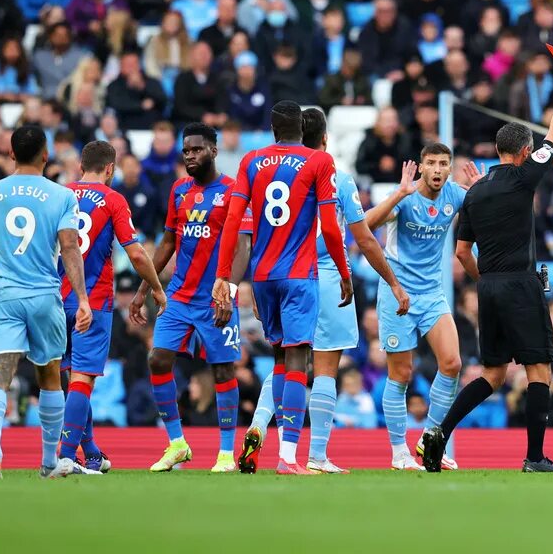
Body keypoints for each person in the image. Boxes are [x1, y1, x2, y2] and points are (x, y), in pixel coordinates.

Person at [420, 57, 553, 473]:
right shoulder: (524, 177)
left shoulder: (474, 192)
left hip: (487, 287)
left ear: (496, 150)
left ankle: (436, 432)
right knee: (539, 369)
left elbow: (461, 253)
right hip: (520, 285)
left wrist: (485, 280)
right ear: (524, 151)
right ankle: (534, 457)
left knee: (491, 373)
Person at [238, 108, 403, 474]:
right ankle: (315, 455)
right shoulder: (336, 178)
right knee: (324, 368)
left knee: (284, 360)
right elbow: (361, 236)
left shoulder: (269, 170)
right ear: (325, 140)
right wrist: (391, 280)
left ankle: (258, 426)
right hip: (324, 275)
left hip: (275, 271)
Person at [213, 101, 353, 475]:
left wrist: (224, 277)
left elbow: (232, 222)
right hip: (299, 273)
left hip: (262, 276)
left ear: (273, 130)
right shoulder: (319, 163)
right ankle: (289, 457)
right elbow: (331, 226)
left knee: (278, 358)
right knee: (298, 360)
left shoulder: (250, 161)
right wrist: (343, 271)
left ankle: (262, 430)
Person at [131, 123, 252, 474]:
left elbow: (244, 244)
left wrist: (227, 288)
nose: (190, 156)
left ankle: (227, 453)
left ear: (213, 151)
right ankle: (177, 444)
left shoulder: (232, 192)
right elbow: (169, 242)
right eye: (186, 151)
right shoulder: (179, 190)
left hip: (215, 297)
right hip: (179, 296)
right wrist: (143, 289)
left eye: (197, 150)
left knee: (223, 368)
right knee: (158, 359)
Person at [0, 125, 90, 478]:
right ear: (45, 155)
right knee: (50, 376)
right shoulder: (61, 196)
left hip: (5, 294)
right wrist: (83, 299)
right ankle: (47, 462)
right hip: (43, 296)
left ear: (11, 154)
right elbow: (70, 247)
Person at [362, 145, 480, 470]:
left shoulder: (455, 195)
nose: (438, 169)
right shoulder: (407, 197)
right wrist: (398, 193)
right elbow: (365, 225)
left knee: (453, 363)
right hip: (397, 293)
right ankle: (399, 452)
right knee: (401, 373)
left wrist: (481, 188)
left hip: (432, 293)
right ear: (422, 167)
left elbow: (485, 206)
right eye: (431, 163)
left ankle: (430, 439)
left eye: (444, 163)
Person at [55, 141, 166, 472]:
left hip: (55, 298)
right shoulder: (114, 199)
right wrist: (156, 290)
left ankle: (89, 450)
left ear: (80, 167)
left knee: (69, 378)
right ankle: (63, 454)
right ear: (110, 169)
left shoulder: (60, 194)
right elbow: (134, 253)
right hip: (94, 299)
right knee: (84, 378)